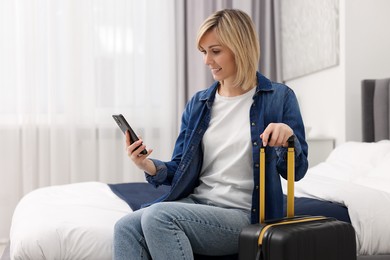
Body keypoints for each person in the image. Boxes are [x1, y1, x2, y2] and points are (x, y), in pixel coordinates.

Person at [113, 8, 308, 259]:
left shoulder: (280, 98)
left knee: (158, 216)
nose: (207, 61)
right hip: (196, 206)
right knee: (125, 227)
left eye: (215, 51)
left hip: (243, 215)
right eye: (204, 52)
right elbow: (180, 168)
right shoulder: (199, 103)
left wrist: (287, 139)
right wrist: (147, 164)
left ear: (240, 47)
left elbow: (298, 171)